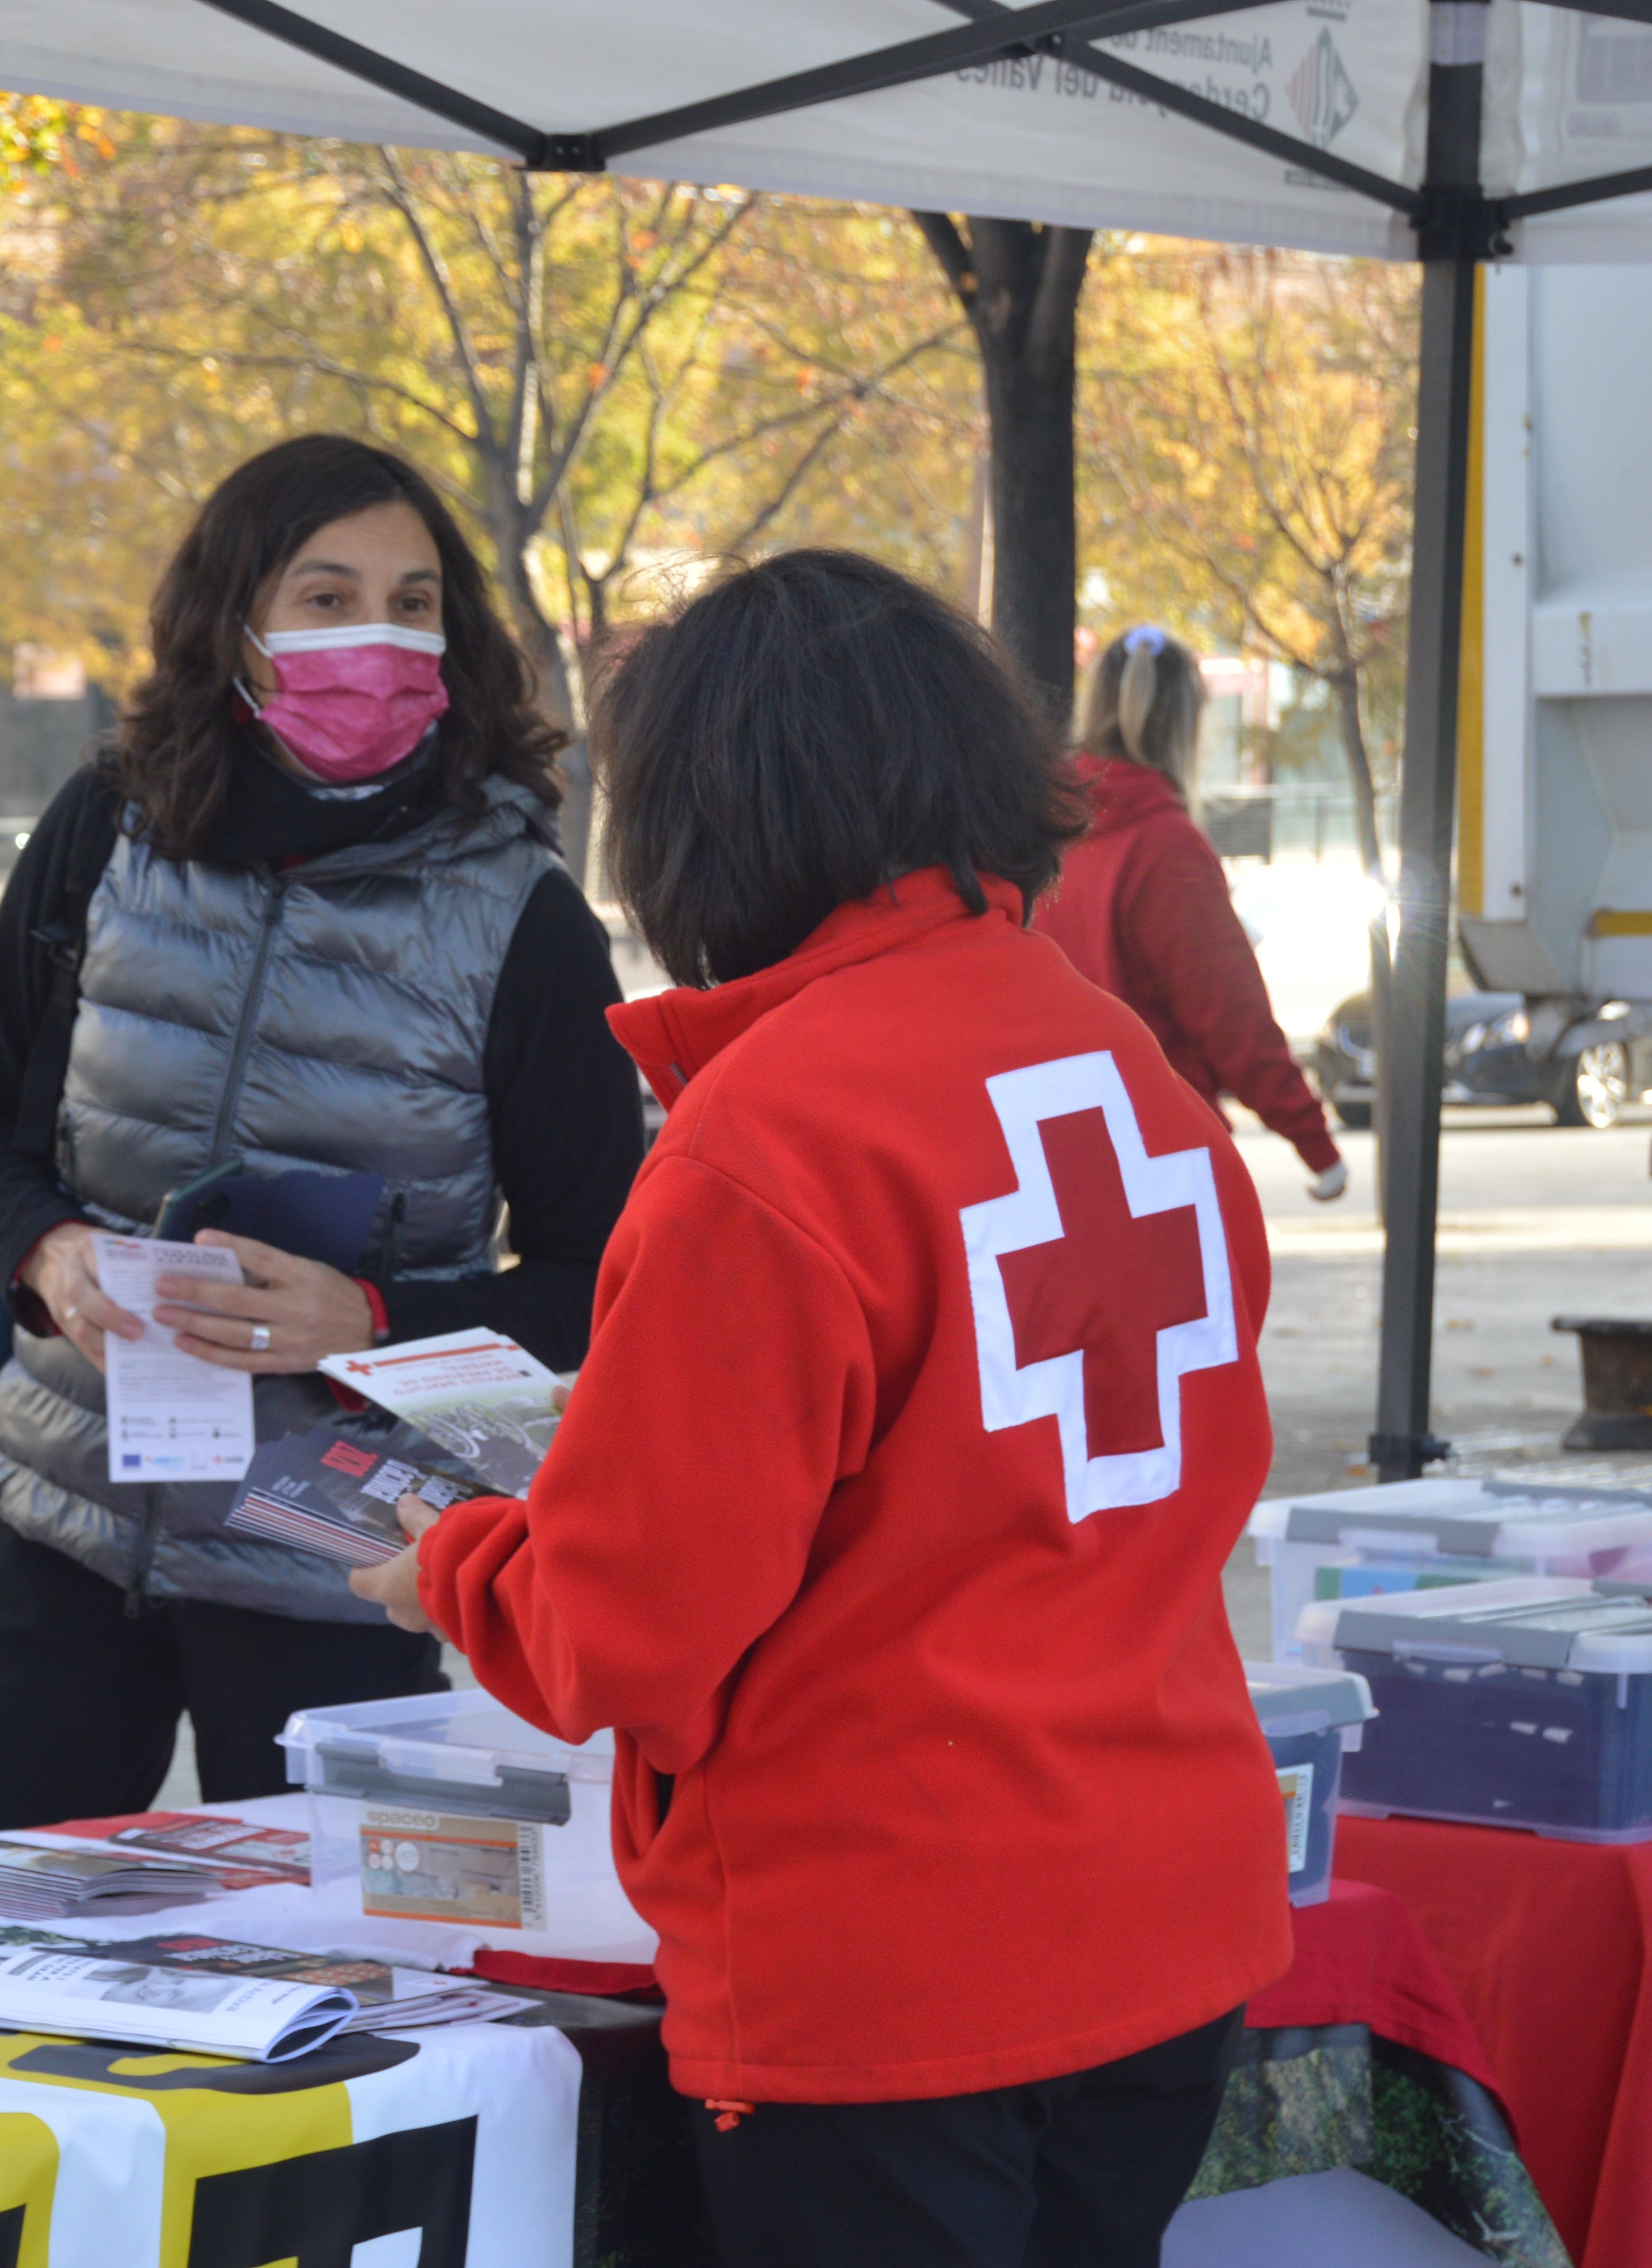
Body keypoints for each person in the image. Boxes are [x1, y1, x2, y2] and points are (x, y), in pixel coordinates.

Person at [353, 552, 1291, 2268]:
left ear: (708, 821)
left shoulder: (767, 1135)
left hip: (891, 1970)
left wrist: (460, 1567)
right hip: (1161, 1920)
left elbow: (629, 1628)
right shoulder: (1125, 1074)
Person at [0, 433, 643, 1835]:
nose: (374, 634)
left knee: (328, 2002)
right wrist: (47, 1252)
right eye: (325, 596)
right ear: (235, 621)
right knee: (6, 1967)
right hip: (59, 1532)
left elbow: (599, 1285)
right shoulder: (107, 828)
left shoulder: (523, 919)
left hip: (343, 1567)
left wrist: (367, 1315)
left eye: (412, 601)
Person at [1036, 624, 1348, 1201]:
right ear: (1189, 724)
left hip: (1049, 1160)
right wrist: (1315, 1144)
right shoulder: (1165, 846)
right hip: (1160, 1164)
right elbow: (1230, 1016)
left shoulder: (1041, 836)